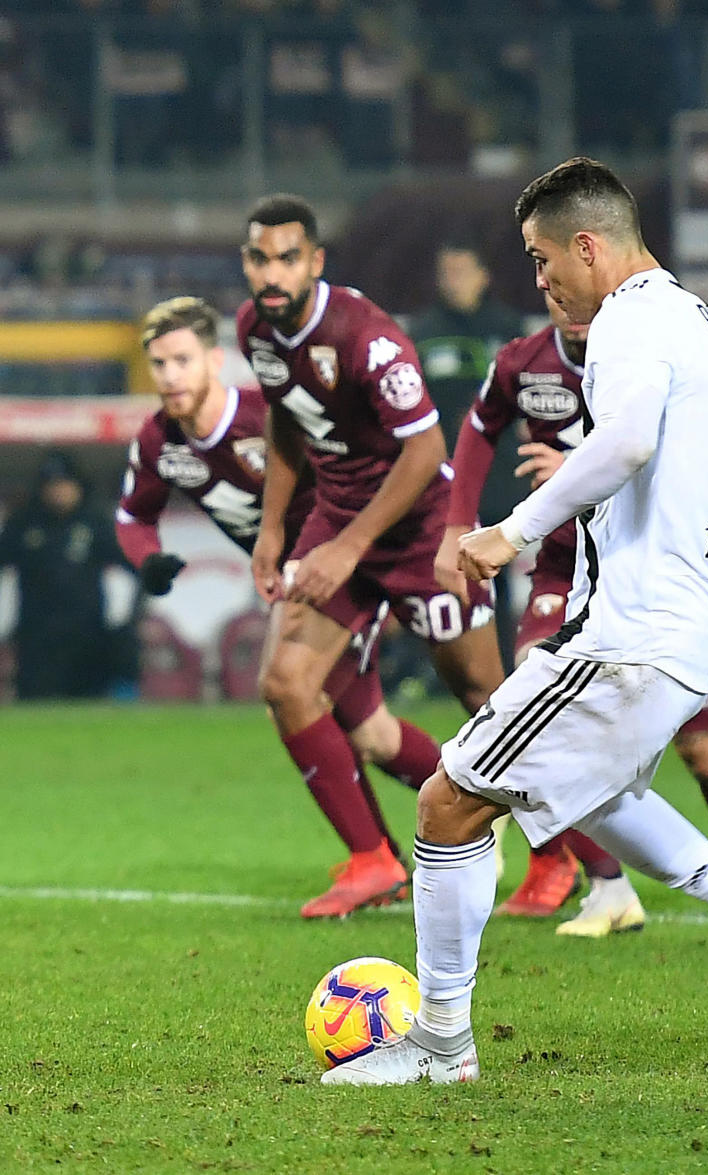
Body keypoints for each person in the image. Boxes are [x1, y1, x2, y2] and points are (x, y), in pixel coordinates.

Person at [321, 157, 708, 1086]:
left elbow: (630, 439)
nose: (539, 278)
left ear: (589, 247)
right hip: (684, 650)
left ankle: (441, 1044)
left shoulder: (628, 325)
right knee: (599, 794)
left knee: (447, 803)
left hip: (625, 641)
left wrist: (512, 531)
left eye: (540, 257)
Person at [435, 292, 708, 937]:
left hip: (657, 567)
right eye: (545, 274)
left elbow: (674, 455)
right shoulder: (524, 363)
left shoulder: (665, 357)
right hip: (564, 563)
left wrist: (579, 469)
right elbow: (479, 426)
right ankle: (607, 886)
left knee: (704, 748)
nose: (567, 300)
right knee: (541, 698)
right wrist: (456, 523)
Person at [116, 296, 444, 918]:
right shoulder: (160, 441)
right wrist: (148, 559)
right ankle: (481, 824)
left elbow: (347, 475)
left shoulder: (264, 417)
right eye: (158, 363)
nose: (170, 376)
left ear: (215, 359)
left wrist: (351, 554)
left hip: (339, 568)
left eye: (182, 359)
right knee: (370, 734)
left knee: (287, 689)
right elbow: (133, 515)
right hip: (297, 580)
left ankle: (378, 856)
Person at [236, 194, 506, 908]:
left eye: (288, 257)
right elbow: (287, 425)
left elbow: (426, 450)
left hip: (418, 526)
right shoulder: (255, 331)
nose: (272, 273)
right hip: (338, 520)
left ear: (315, 262)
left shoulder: (365, 336)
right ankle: (373, 859)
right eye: (259, 258)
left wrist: (349, 548)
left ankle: (565, 858)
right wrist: (274, 531)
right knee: (287, 683)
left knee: (489, 699)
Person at [409, 241, 527, 669]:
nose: (453, 280)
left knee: (498, 572)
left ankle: (501, 664)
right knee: (434, 568)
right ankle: (435, 667)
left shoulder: (508, 327)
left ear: (484, 275)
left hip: (498, 473)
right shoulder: (424, 333)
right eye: (447, 272)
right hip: (440, 473)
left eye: (462, 270)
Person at [0, 449, 130, 700]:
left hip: (87, 638)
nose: (58, 491)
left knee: (90, 712)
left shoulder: (94, 522)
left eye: (64, 484)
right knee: (37, 710)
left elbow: (136, 568)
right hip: (37, 639)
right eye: (51, 485)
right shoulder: (24, 523)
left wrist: (129, 622)